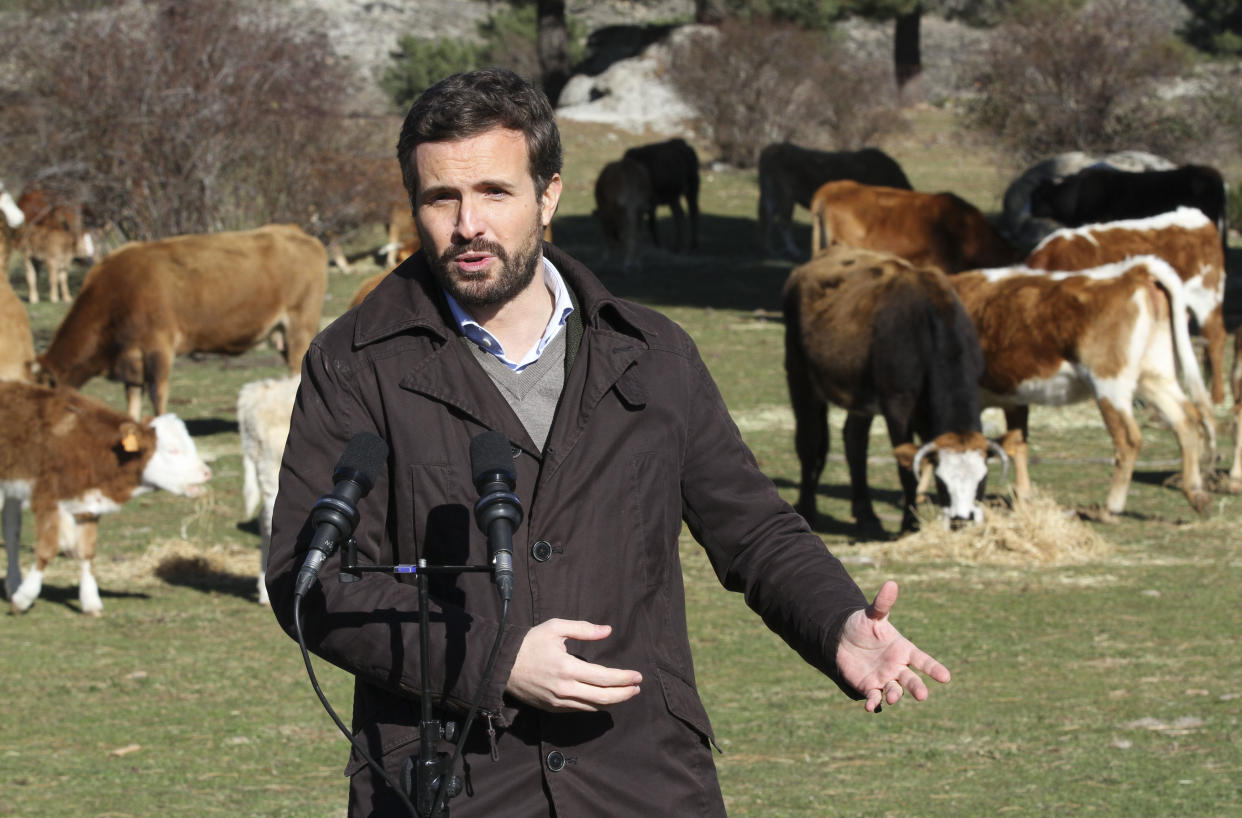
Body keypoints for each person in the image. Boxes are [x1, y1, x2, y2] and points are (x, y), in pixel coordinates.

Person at [266, 67, 951, 817]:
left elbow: (753, 529)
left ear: (548, 196)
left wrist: (839, 624)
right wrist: (492, 661)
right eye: (442, 198)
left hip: (642, 778)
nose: (468, 225)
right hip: (451, 784)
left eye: (496, 192)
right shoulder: (356, 362)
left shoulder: (652, 353)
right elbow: (313, 579)